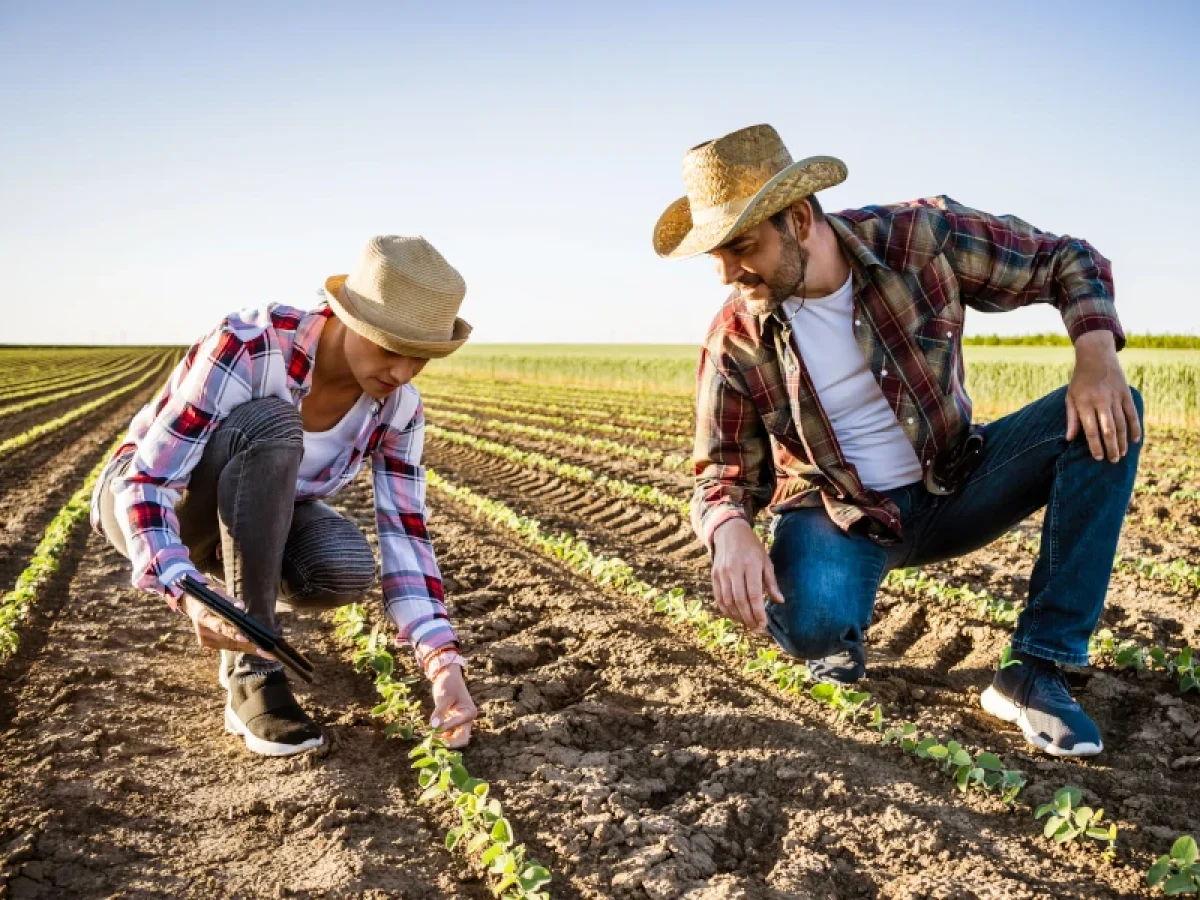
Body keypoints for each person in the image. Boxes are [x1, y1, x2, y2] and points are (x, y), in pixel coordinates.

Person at [654, 124, 1143, 758]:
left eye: (741, 246)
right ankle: (834, 640)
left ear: (799, 220)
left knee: (1115, 413)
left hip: (956, 482)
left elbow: (1065, 259)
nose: (726, 273)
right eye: (714, 255)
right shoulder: (735, 340)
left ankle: (1036, 667)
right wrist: (729, 529)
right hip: (844, 515)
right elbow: (721, 473)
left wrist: (1096, 356)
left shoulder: (918, 240)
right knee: (811, 625)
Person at [91, 235, 478, 757]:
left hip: (257, 518)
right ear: (349, 317)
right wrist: (186, 592)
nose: (402, 373)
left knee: (341, 564)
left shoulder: (398, 407)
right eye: (391, 348)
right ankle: (255, 678)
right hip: (158, 502)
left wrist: (442, 664)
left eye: (421, 358)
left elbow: (406, 533)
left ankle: (242, 618)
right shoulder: (252, 344)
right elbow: (149, 483)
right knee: (272, 423)